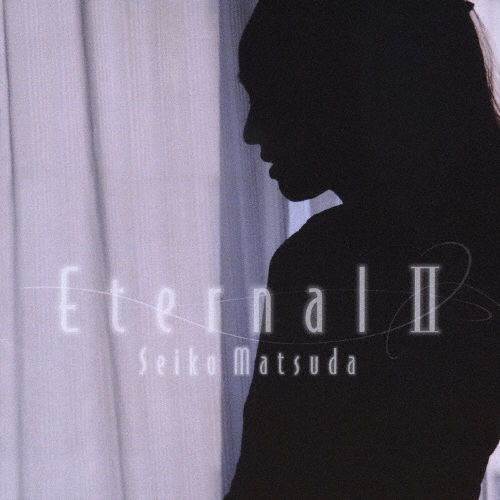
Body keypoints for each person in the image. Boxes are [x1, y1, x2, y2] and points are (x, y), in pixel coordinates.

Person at [224, 1, 500, 498]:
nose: (251, 131)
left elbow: (265, 482)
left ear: (345, 87)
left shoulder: (322, 263)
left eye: (271, 96)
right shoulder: (483, 238)